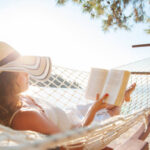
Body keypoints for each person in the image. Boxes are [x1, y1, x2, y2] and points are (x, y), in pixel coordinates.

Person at [0, 42, 136, 135]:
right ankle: (122, 97)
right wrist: (92, 111)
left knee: (107, 104)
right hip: (79, 127)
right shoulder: (25, 117)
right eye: (21, 70)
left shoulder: (20, 98)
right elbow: (71, 144)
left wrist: (92, 109)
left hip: (70, 114)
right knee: (113, 111)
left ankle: (121, 95)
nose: (27, 73)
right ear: (8, 78)